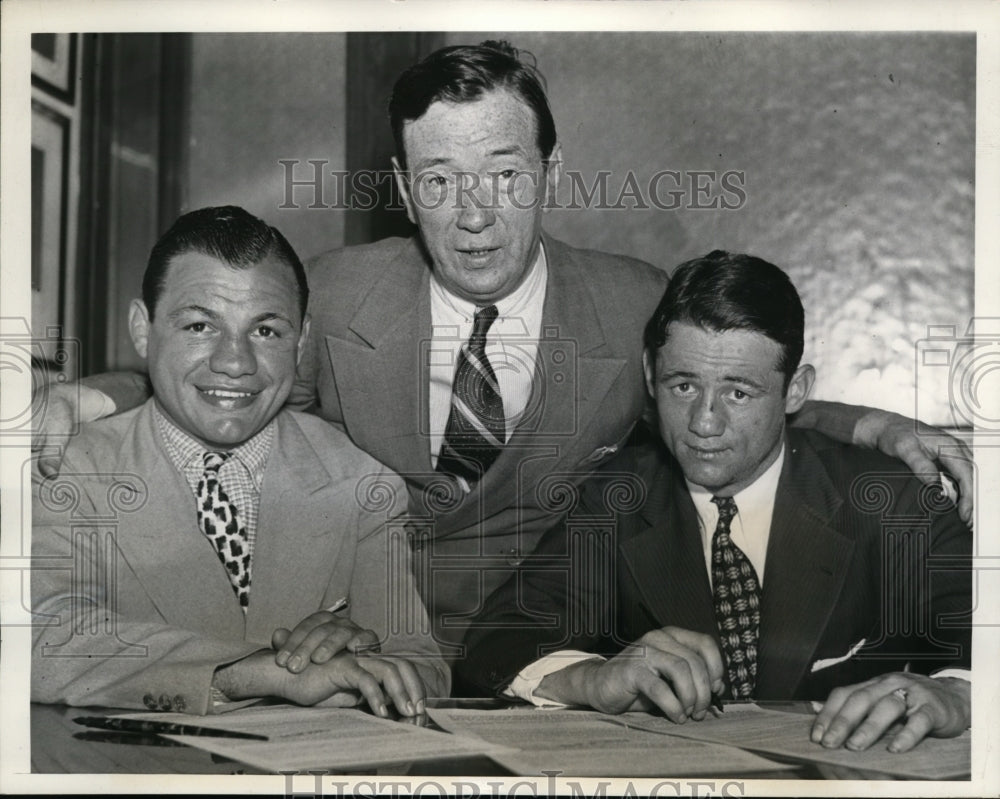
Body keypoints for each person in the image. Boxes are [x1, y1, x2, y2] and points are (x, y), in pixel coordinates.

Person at [32, 42, 973, 651]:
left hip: (556, 661)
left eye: (504, 174)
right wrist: (93, 395)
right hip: (350, 654)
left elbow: (728, 391)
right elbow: (229, 372)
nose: (474, 215)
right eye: (440, 179)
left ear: (550, 171)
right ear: (403, 186)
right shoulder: (339, 291)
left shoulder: (630, 302)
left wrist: (877, 427)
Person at [456, 251, 970, 754]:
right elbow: (496, 640)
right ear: (650, 374)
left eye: (738, 393)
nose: (704, 423)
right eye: (683, 386)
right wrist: (590, 678)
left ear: (796, 391)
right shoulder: (618, 497)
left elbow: (979, 626)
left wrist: (960, 692)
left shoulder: (888, 498)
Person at [31, 206, 448, 715]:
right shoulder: (67, 467)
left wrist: (364, 659)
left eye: (266, 331)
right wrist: (256, 672)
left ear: (302, 341)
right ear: (142, 329)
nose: (234, 362)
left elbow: (424, 667)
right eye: (200, 326)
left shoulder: (362, 482)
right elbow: (41, 636)